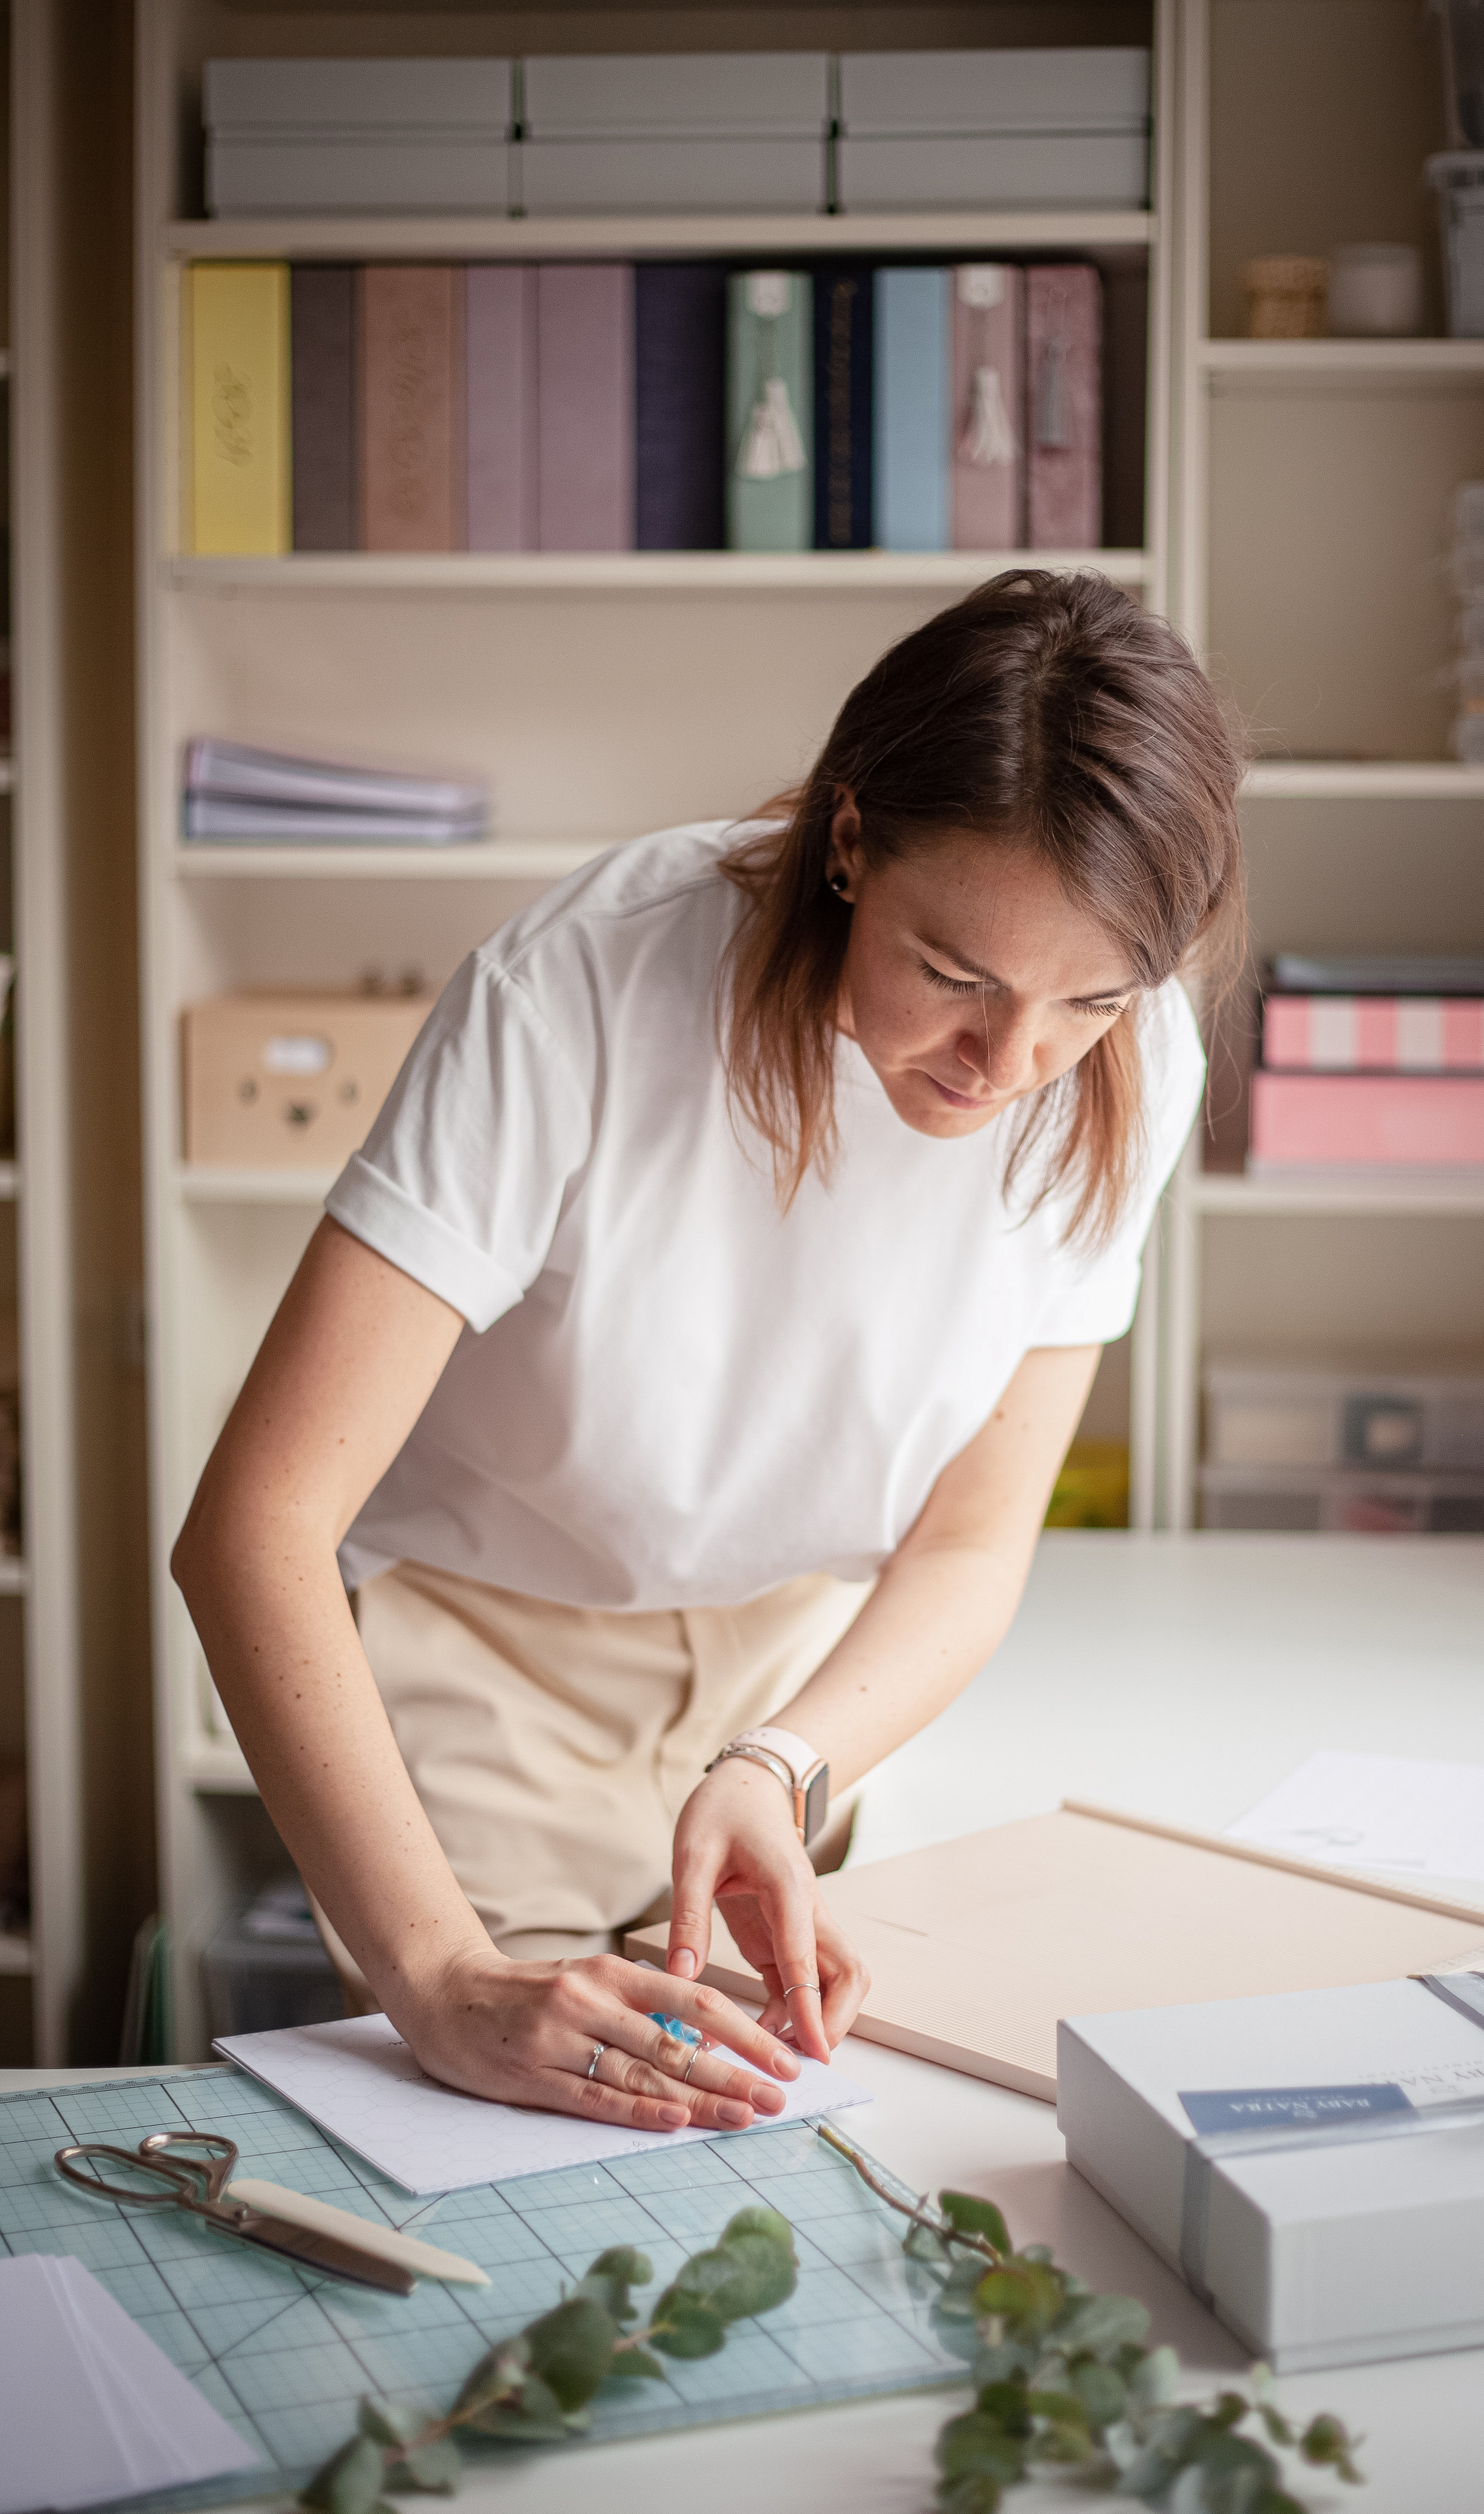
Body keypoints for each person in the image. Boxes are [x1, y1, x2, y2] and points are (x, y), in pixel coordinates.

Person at [173, 570, 1244, 2139]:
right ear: (849, 839)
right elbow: (248, 1531)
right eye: (952, 975)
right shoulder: (576, 992)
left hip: (792, 1668)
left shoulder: (1133, 1052)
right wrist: (442, 1978)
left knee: (786, 2161)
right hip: (494, 1667)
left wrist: (783, 1764)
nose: (1007, 1067)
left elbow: (965, 1545)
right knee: (518, 2157)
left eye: (1082, 1000)